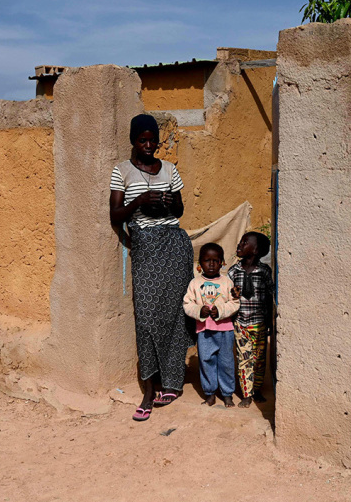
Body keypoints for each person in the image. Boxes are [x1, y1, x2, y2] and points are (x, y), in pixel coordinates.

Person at [109, 114, 193, 422]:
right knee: (146, 318)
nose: (148, 146)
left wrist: (167, 202)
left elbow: (181, 209)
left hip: (174, 246)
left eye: (152, 141)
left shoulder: (169, 169)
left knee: (174, 315)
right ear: (133, 140)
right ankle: (149, 387)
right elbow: (116, 215)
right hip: (144, 246)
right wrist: (141, 200)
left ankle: (172, 381)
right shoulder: (121, 171)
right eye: (142, 140)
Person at [183, 243, 240, 408]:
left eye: (216, 260)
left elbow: (234, 302)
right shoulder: (194, 283)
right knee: (206, 361)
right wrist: (200, 311)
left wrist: (221, 311)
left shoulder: (227, 282)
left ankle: (227, 393)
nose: (212, 264)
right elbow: (187, 304)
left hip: (225, 331)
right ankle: (210, 393)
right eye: (207, 260)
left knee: (226, 362)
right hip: (204, 331)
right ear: (200, 263)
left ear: (222, 262)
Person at [228, 232, 274, 408]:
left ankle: (257, 389)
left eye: (245, 242)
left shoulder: (264, 271)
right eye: (240, 241)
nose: (239, 244)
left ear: (255, 250)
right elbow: (228, 296)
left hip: (259, 323)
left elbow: (269, 297)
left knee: (259, 360)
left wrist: (269, 321)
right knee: (244, 359)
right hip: (240, 323)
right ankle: (247, 394)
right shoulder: (233, 271)